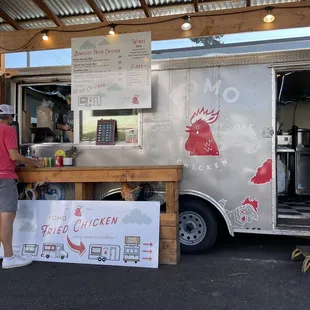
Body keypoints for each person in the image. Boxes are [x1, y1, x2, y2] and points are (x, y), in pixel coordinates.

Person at [0, 104, 44, 269]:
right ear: (11, 118)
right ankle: (9, 258)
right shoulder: (8, 130)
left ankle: (3, 250)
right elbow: (14, 155)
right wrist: (35, 163)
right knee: (6, 216)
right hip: (4, 177)